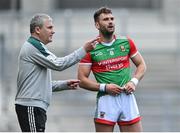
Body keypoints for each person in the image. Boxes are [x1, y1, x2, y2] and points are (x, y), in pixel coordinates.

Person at [15, 13, 98, 132]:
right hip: (30, 106)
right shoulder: (34, 46)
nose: (53, 31)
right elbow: (59, 64)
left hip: (33, 106)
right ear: (37, 30)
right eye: (49, 27)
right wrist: (84, 49)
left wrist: (63, 84)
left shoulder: (36, 47)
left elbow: (38, 85)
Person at [78, 7, 147, 132]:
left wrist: (133, 81)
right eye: (105, 19)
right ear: (97, 25)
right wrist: (105, 87)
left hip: (127, 97)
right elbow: (82, 80)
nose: (110, 22)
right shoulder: (90, 49)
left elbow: (142, 65)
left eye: (112, 19)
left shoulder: (126, 42)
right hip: (106, 99)